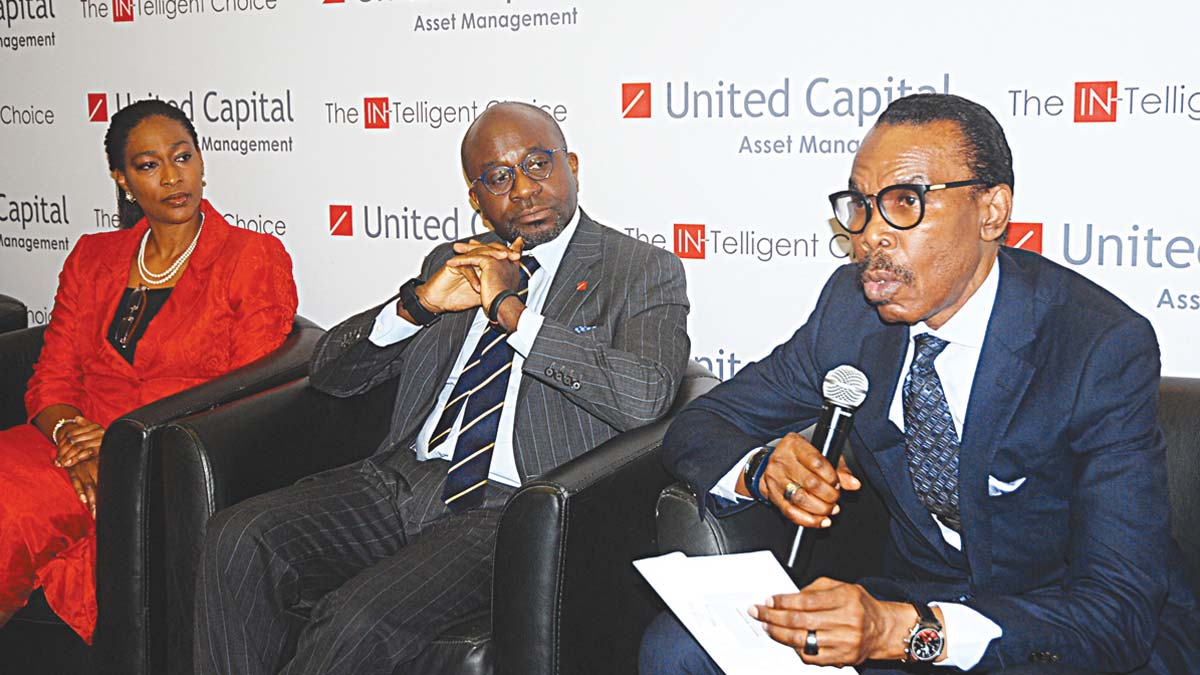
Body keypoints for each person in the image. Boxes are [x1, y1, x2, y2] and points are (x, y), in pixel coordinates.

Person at [643, 93, 1199, 673]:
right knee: (679, 647)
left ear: (991, 212)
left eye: (906, 202)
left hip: (1058, 630)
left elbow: (1116, 614)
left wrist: (905, 631)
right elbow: (703, 424)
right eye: (861, 206)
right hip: (914, 602)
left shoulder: (1096, 345)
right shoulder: (849, 312)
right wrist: (763, 470)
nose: (871, 236)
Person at [194, 101, 691, 675]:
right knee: (238, 537)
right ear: (477, 198)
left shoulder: (638, 270)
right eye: (498, 178)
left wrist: (513, 314)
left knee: (358, 619)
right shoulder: (453, 260)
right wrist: (418, 305)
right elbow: (332, 375)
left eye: (538, 164)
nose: (524, 189)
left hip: (506, 508)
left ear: (571, 165)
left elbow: (646, 396)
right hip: (399, 480)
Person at [0, 99, 298, 643]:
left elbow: (245, 403)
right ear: (122, 179)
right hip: (64, 446)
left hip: (160, 457)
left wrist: (119, 444)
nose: (172, 176)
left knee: (10, 518)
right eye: (147, 165)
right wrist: (71, 436)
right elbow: (51, 378)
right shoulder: (93, 257)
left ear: (201, 161)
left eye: (182, 157)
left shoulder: (250, 257)